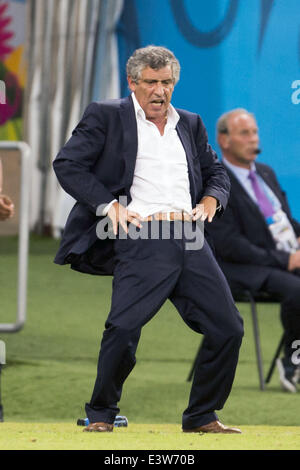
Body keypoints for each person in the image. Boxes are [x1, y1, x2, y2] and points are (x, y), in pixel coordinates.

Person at [53, 46, 244, 433]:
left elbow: (216, 172)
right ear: (133, 83)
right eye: (152, 82)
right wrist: (108, 206)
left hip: (189, 236)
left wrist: (211, 199)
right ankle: (102, 413)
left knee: (228, 328)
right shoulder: (107, 115)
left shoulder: (189, 122)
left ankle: (202, 416)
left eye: (167, 82)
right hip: (143, 234)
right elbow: (68, 164)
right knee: (123, 328)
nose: (160, 91)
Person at [206, 108, 300, 393]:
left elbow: (286, 220)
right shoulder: (217, 182)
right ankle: (293, 362)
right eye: (244, 133)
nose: (252, 139)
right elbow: (229, 244)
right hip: (241, 268)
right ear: (224, 140)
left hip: (282, 258)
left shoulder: (266, 173)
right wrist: (286, 260)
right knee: (297, 289)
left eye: (255, 132)